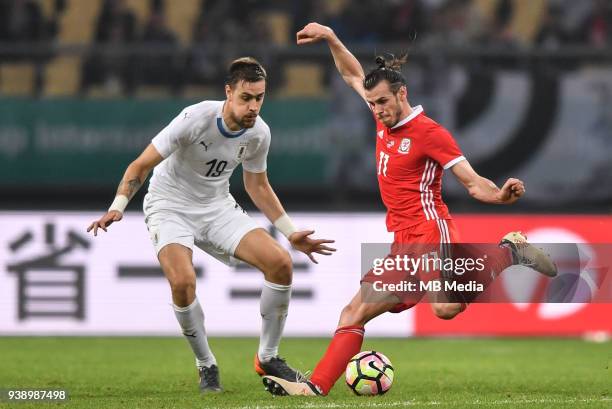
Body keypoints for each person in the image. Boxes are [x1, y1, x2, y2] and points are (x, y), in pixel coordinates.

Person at [261, 22, 557, 397]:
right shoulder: (380, 113)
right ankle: (315, 387)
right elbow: (352, 73)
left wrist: (500, 196)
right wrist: (333, 38)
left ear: (402, 94)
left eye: (383, 102)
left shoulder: (429, 133)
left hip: (430, 231)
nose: (377, 110)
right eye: (372, 104)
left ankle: (508, 252)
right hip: (402, 243)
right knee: (354, 312)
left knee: (445, 310)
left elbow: (470, 181)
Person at [87, 57, 336, 393]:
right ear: (228, 92)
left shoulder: (259, 133)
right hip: (169, 205)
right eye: (246, 98)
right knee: (183, 282)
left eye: (259, 98)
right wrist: (118, 206)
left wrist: (291, 232)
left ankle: (268, 357)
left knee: (280, 263)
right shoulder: (195, 118)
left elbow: (257, 186)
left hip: (217, 207)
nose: (253, 106)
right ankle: (206, 365)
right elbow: (140, 165)